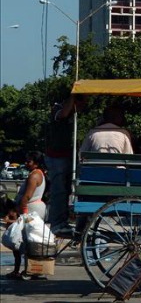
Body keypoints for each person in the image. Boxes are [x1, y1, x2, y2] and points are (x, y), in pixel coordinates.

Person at [46, 94, 86, 235]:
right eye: (80, 103)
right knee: (59, 191)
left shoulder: (72, 116)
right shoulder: (57, 109)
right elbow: (62, 114)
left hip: (67, 156)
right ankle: (57, 223)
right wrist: (74, 96)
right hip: (57, 157)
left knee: (66, 191)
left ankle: (63, 220)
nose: (82, 108)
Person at [6, 151, 47, 280]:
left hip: (30, 209)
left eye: (29, 161)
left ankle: (27, 270)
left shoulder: (34, 175)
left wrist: (21, 212)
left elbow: (27, 197)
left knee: (22, 240)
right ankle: (23, 269)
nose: (26, 163)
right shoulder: (37, 174)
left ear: (36, 163)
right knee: (27, 240)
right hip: (33, 209)